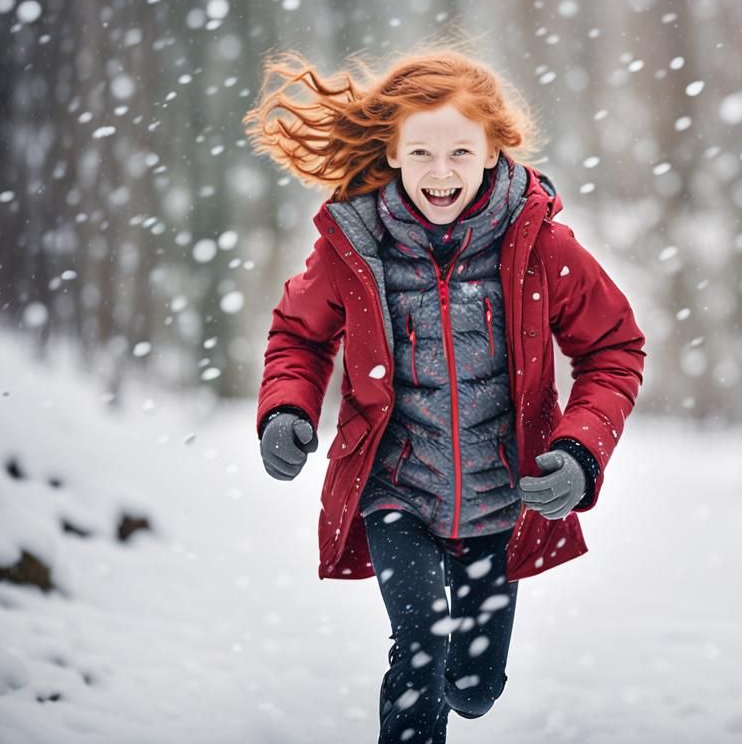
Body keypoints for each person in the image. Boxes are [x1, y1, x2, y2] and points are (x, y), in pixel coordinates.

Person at [243, 42, 646, 744]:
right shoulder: (357, 245)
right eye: (422, 152)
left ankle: (471, 678)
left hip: (499, 502)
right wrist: (285, 409)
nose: (440, 171)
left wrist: (581, 451)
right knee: (420, 645)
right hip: (396, 489)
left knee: (474, 688)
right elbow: (299, 338)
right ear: (392, 153)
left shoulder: (540, 247)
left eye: (460, 152)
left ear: (493, 150)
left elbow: (614, 350)